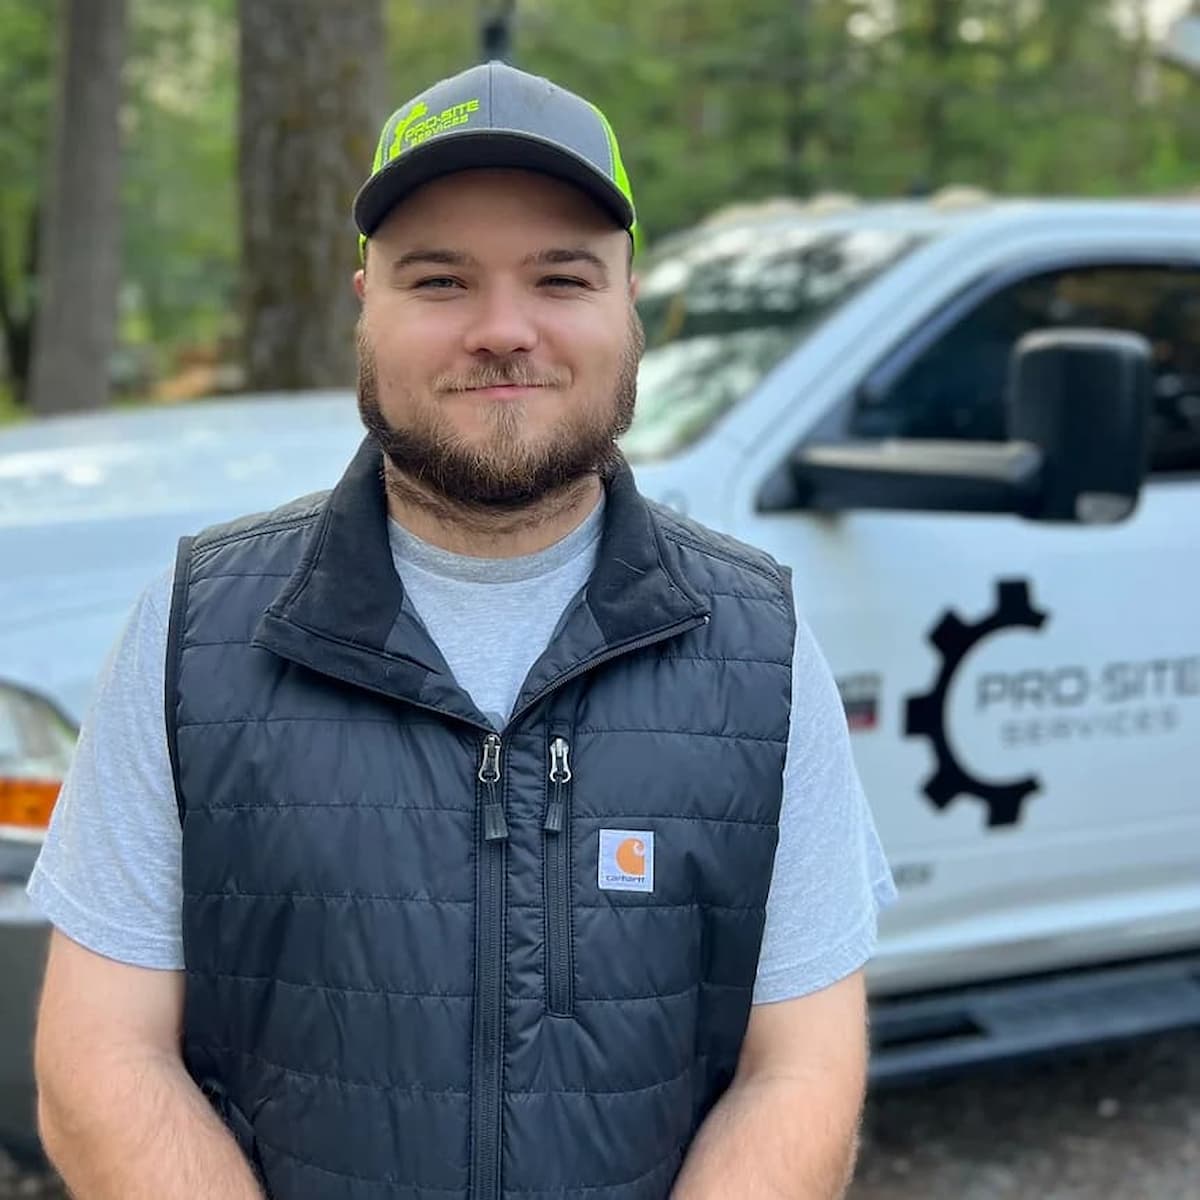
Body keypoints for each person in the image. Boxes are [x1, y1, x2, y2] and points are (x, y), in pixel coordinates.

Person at [29, 60, 895, 1200]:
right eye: (439, 281)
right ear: (367, 307)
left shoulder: (760, 646)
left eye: (561, 277)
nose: (502, 330)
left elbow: (803, 1071)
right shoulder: (194, 630)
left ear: (629, 308)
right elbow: (98, 1059)